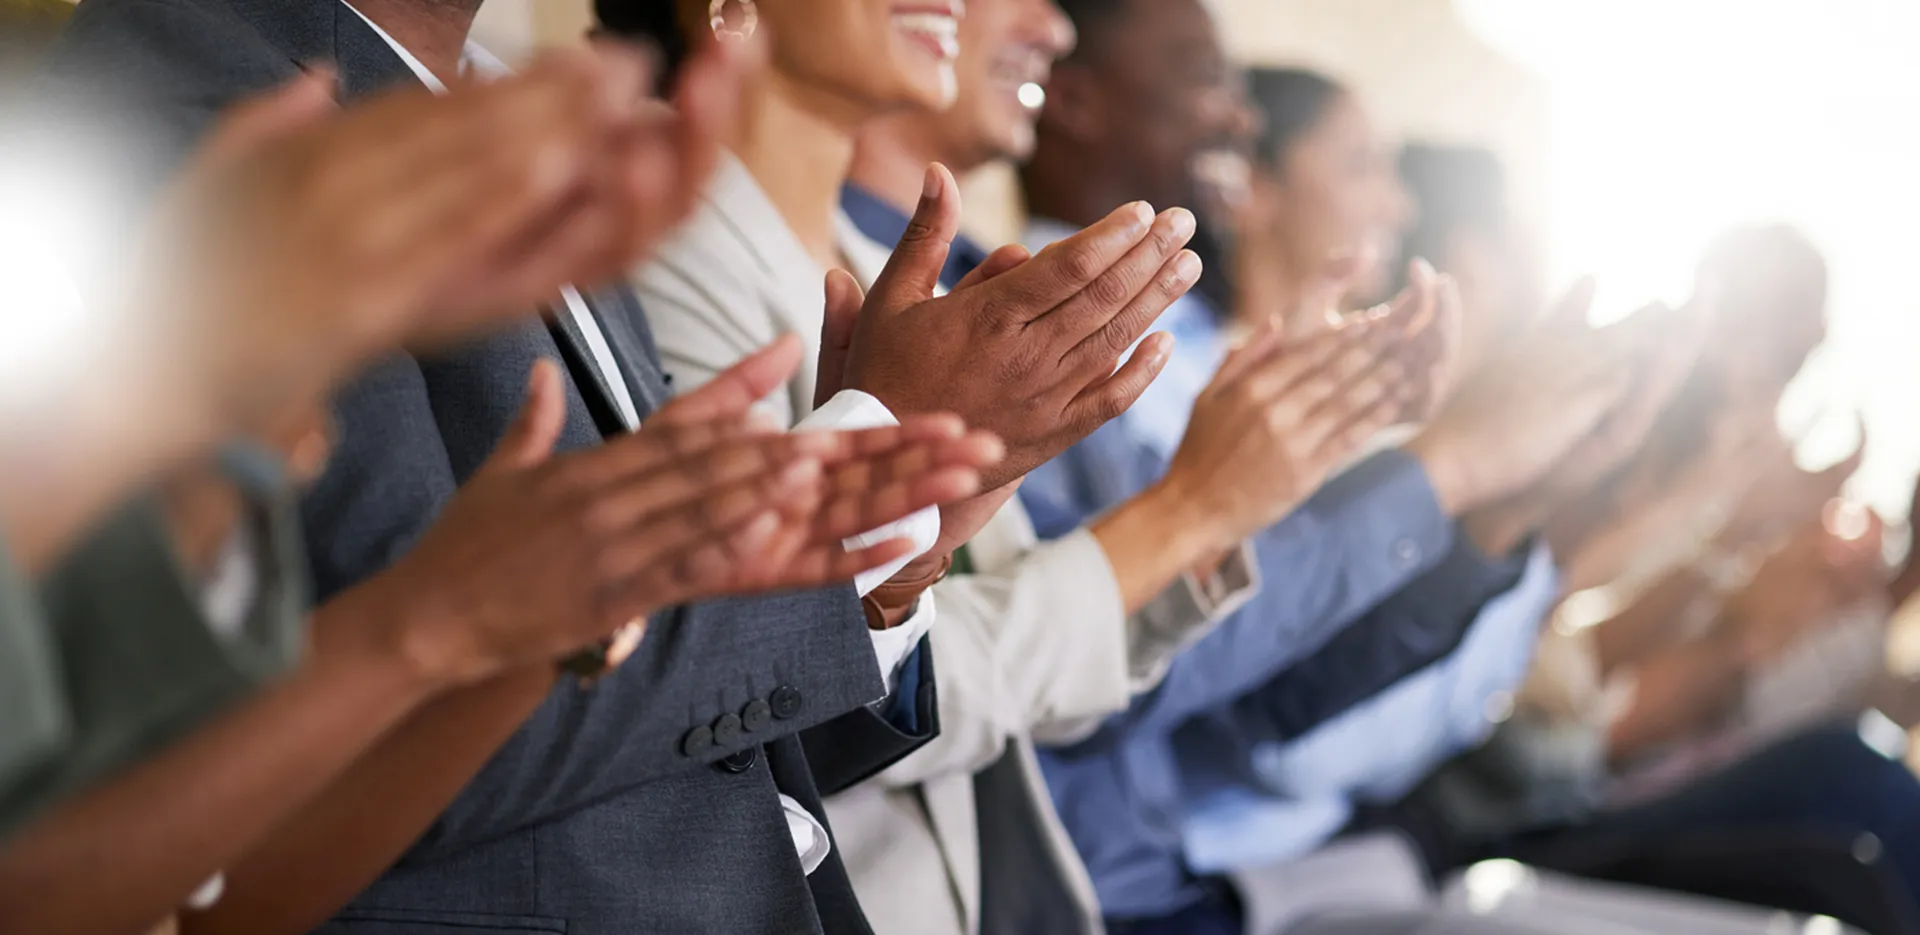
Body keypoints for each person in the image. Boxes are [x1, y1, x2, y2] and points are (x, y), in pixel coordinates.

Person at [30, 5, 1008, 935]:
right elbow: (352, 760)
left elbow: (696, 744)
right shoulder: (191, 89)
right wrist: (847, 508)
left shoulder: (519, 109)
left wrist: (888, 559)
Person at [599, 2, 1457, 933]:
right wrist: (1191, 509)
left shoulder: (863, 256)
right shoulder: (648, 245)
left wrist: (1224, 492)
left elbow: (1019, 666)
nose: (1036, 20)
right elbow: (754, 681)